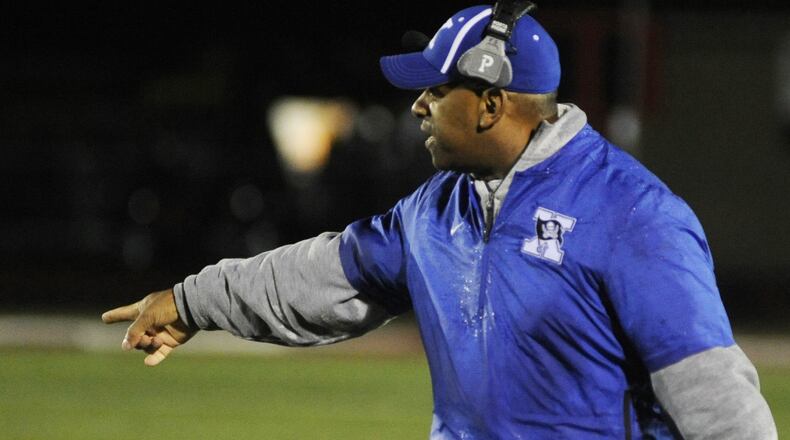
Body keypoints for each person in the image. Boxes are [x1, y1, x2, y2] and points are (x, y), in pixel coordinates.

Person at [102, 4, 777, 439]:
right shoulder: (436, 207)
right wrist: (192, 301)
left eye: (436, 90)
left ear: (489, 104)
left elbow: (714, 397)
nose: (418, 106)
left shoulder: (632, 215)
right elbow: (323, 277)